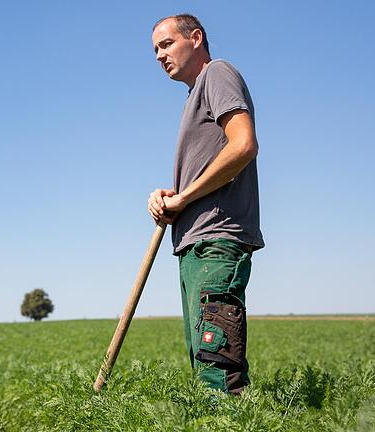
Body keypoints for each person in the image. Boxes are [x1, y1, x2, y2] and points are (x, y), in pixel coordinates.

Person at [148, 14, 265, 395]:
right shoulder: (193, 95)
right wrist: (171, 195)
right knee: (204, 366)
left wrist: (184, 197)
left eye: (166, 44)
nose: (159, 55)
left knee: (218, 371)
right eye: (155, 50)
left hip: (216, 241)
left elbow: (243, 145)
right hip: (196, 243)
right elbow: (204, 171)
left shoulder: (217, 74)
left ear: (195, 38)